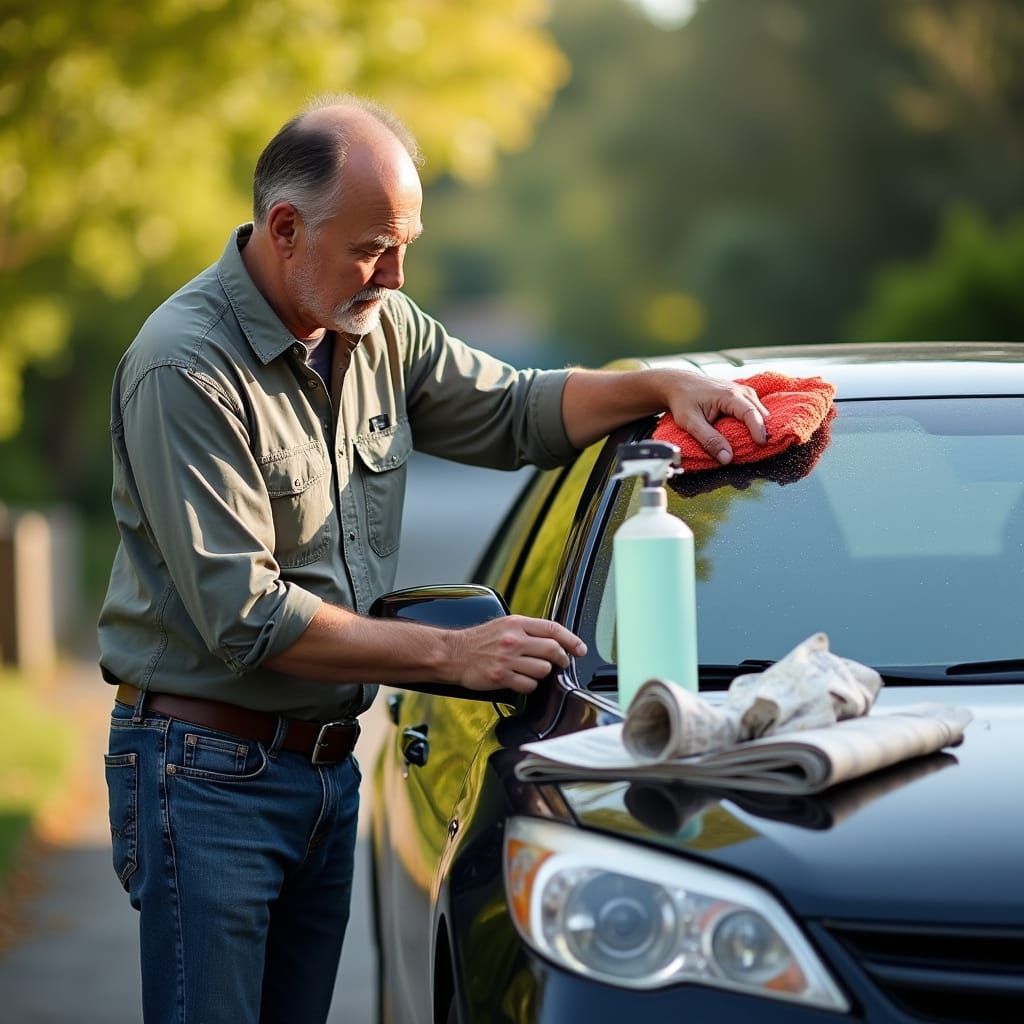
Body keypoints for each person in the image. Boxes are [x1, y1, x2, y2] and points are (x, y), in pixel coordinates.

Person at [99, 94, 768, 1024]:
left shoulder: (377, 325)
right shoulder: (186, 368)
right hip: (208, 775)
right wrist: (455, 655)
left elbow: (514, 411)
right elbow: (243, 613)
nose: (397, 273)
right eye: (374, 247)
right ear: (285, 230)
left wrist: (659, 384)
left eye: (405, 243)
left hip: (328, 771)